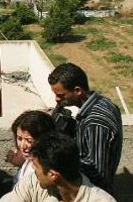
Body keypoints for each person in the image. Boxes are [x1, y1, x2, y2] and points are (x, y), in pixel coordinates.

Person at [47, 62, 122, 194]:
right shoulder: (103, 102)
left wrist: (59, 160)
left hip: (92, 196)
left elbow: (96, 171)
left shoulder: (95, 121)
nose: (57, 100)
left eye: (61, 95)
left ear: (78, 91)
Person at [3, 110, 57, 202]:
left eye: (29, 140)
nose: (23, 146)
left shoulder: (45, 174)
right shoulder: (28, 163)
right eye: (19, 138)